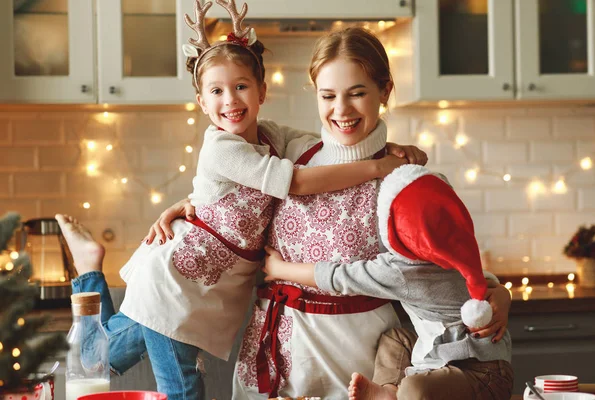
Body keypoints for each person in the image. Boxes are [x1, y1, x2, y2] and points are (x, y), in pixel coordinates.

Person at [59, 2, 420, 398]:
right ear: (201, 102)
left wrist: (384, 147)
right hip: (175, 282)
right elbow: (297, 181)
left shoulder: (272, 136)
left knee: (105, 356)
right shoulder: (220, 148)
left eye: (241, 87)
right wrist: (377, 167)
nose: (230, 100)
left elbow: (328, 146)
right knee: (181, 390)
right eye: (216, 91)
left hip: (209, 291)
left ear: (262, 91)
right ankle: (89, 267)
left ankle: (90, 266)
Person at [149, 27, 511, 399]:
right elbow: (231, 187)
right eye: (328, 95)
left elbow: (440, 268)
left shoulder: (406, 180)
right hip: (277, 352)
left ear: (384, 91)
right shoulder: (289, 150)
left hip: (362, 361)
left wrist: (499, 293)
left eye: (357, 93)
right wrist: (186, 204)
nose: (342, 110)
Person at [262, 164, 514, 400]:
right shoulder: (456, 251)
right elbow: (487, 282)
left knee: (415, 388)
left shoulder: (402, 270)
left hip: (482, 374)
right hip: (452, 354)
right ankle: (388, 390)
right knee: (396, 338)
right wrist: (504, 295)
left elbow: (339, 277)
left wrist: (280, 268)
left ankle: (398, 392)